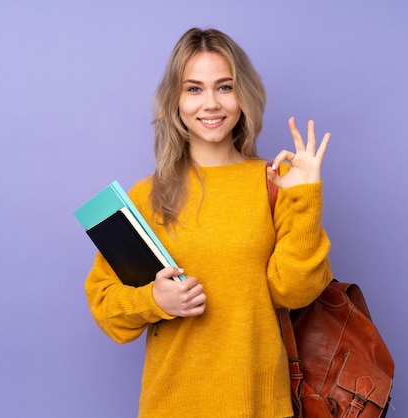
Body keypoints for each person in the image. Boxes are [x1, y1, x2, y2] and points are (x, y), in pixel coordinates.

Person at [85, 27, 333, 417]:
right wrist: (155, 300)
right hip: (171, 403)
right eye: (194, 89)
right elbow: (107, 309)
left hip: (259, 405)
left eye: (225, 87)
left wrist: (305, 199)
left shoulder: (275, 182)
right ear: (175, 100)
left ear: (243, 95)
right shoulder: (146, 195)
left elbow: (294, 292)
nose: (211, 104)